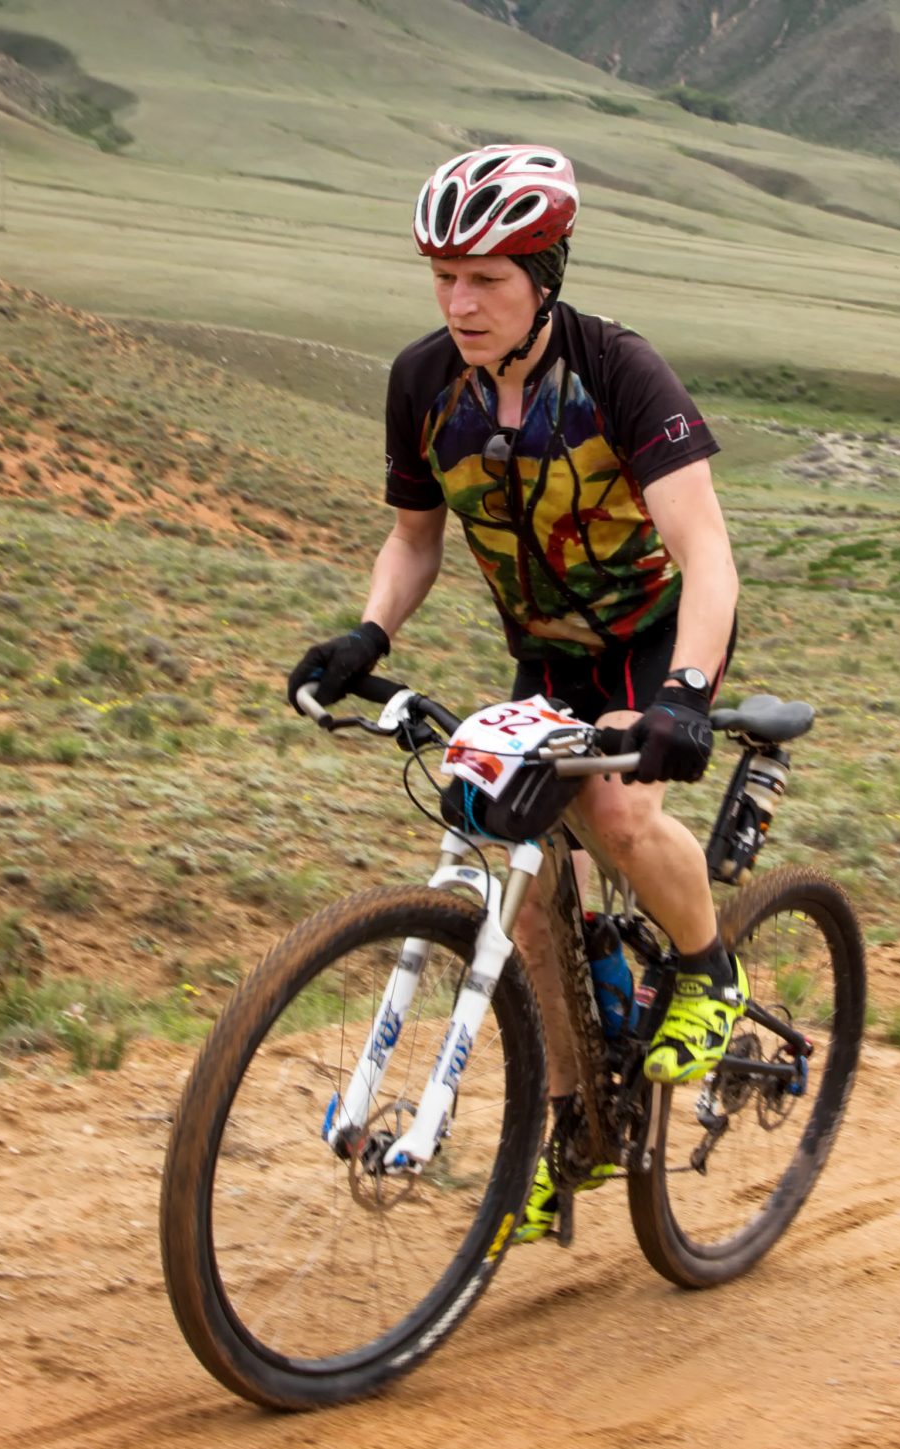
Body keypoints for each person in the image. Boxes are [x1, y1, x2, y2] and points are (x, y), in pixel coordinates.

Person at [285, 144, 746, 1242]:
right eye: (443, 276)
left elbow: (708, 555)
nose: (459, 301)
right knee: (522, 893)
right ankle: (571, 1128)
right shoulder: (421, 382)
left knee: (623, 815)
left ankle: (709, 970)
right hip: (545, 657)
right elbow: (413, 540)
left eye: (486, 278)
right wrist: (368, 631)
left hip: (647, 640)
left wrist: (681, 695)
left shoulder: (621, 373)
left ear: (546, 273)